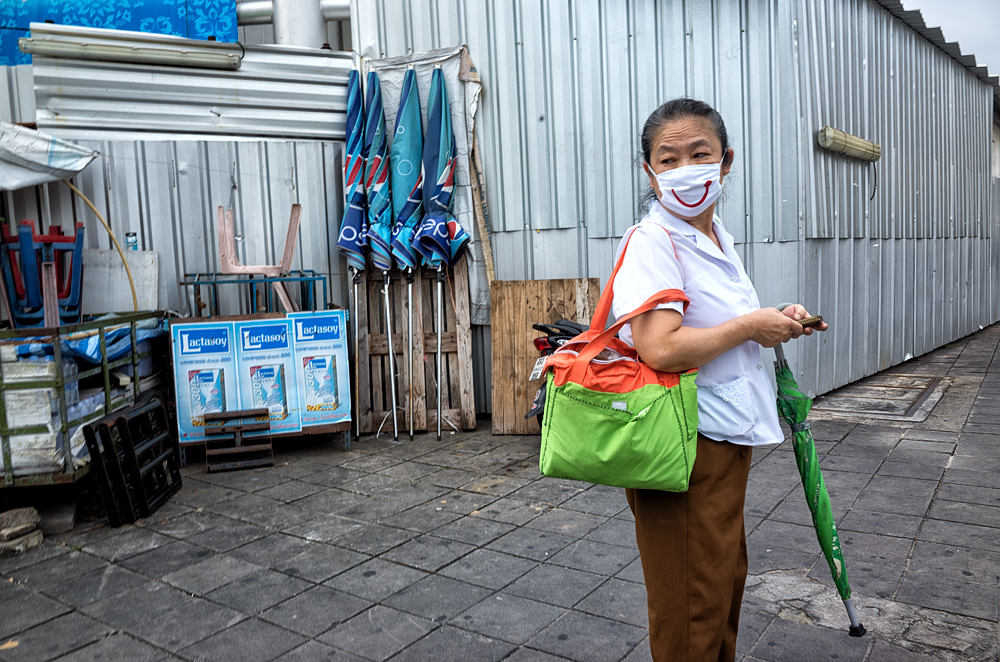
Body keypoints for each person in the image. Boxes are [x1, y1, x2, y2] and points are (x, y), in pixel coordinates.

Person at [612, 98, 828, 662]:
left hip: (723, 436)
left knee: (722, 582)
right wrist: (750, 326)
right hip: (685, 444)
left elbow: (717, 326)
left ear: (726, 161)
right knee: (692, 606)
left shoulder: (714, 236)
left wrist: (772, 320)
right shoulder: (653, 241)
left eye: (700, 153)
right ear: (649, 171)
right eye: (669, 157)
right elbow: (660, 347)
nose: (686, 168)